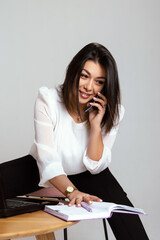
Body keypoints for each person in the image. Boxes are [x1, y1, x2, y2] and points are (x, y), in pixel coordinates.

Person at [30, 43, 149, 239]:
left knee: (121, 208)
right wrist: (72, 192)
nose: (89, 87)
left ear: (106, 85)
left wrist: (95, 127)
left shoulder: (114, 113)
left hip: (88, 175)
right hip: (43, 172)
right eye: (85, 76)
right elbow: (47, 161)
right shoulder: (48, 100)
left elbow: (95, 166)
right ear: (73, 72)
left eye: (99, 81)